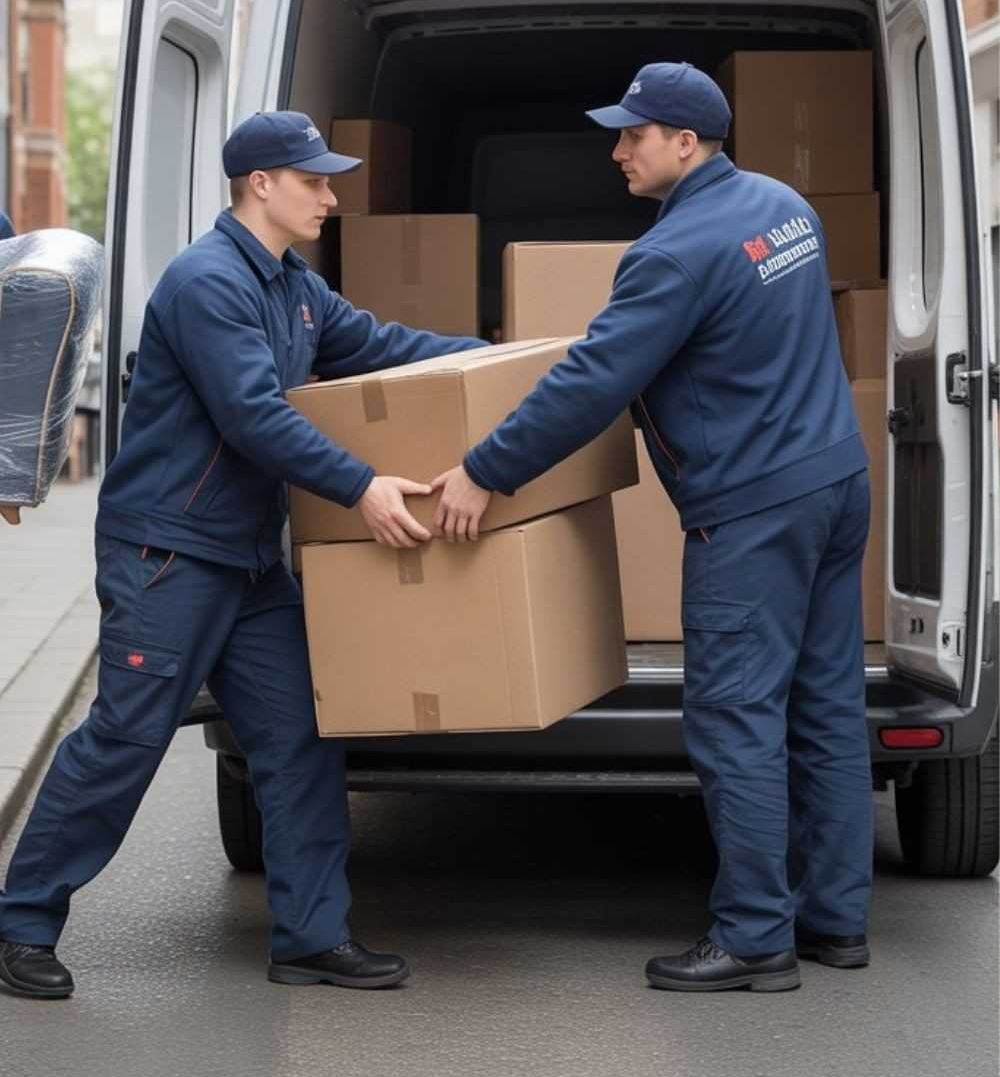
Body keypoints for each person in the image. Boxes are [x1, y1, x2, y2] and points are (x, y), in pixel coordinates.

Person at [0, 111, 486, 1001]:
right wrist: (362, 486)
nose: (331, 196)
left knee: (299, 737)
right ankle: (18, 922)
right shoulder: (206, 282)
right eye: (315, 180)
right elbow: (254, 417)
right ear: (260, 183)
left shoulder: (293, 286)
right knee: (127, 739)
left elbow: (382, 347)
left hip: (248, 561)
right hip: (169, 553)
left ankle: (309, 937)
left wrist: (506, 358)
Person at [432, 62, 873, 994]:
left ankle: (755, 936)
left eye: (634, 134)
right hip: (833, 479)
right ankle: (836, 920)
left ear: (686, 140)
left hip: (751, 508)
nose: (618, 150)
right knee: (826, 705)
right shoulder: (786, 207)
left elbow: (591, 382)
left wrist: (482, 470)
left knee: (736, 719)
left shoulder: (673, 254)